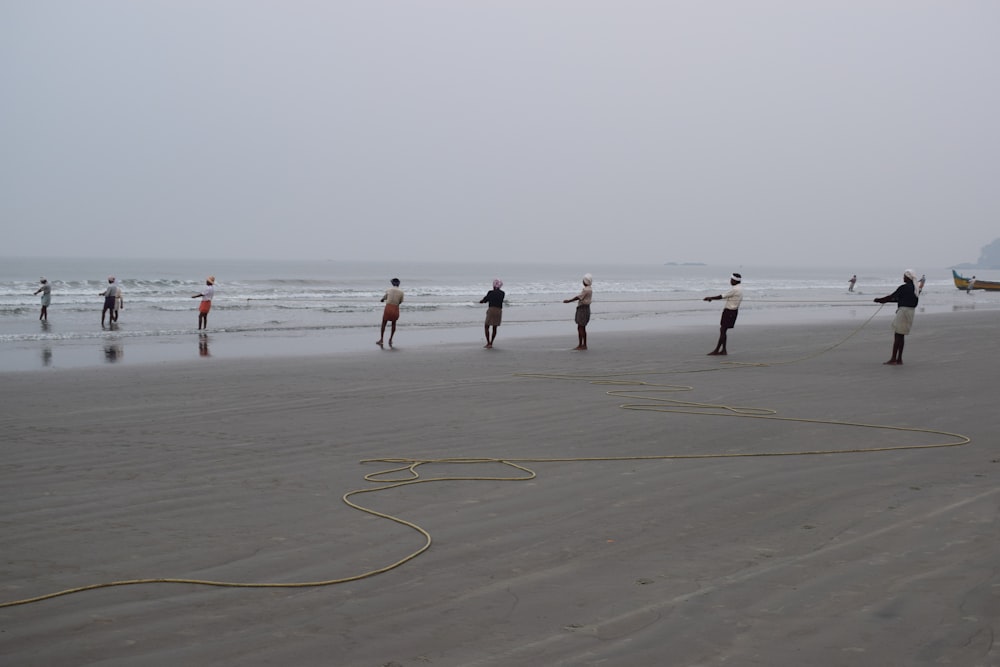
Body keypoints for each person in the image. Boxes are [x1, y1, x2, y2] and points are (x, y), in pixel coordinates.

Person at [874, 269, 919, 365]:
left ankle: (894, 359)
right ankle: (899, 359)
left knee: (897, 335)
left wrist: (879, 300)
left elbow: (892, 296)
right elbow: (898, 299)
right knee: (901, 335)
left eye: (904, 276)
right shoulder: (916, 288)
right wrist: (883, 301)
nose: (903, 278)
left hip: (903, 312)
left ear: (908, 277)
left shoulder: (903, 287)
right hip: (910, 312)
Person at [703, 272, 744, 356]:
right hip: (733, 311)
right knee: (723, 330)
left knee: (723, 330)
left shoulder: (735, 289)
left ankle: (717, 350)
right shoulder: (740, 288)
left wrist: (710, 298)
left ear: (735, 281)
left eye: (731, 279)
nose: (730, 281)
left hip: (729, 311)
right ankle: (723, 350)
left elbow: (722, 296)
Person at [563, 273, 593, 350]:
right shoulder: (590, 289)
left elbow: (579, 297)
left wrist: (568, 301)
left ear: (585, 281)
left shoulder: (586, 290)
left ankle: (580, 345)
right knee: (583, 327)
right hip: (586, 308)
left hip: (582, 309)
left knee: (580, 327)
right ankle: (584, 345)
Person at [377, 278, 404, 346]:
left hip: (388, 307)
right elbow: (401, 301)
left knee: (384, 323)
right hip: (395, 308)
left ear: (392, 283)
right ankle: (390, 339)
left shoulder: (389, 290)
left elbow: (385, 297)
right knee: (393, 323)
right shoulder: (401, 292)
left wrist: (382, 300)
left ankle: (381, 339)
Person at [480, 279, 505, 348]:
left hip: (491, 310)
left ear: (493, 285)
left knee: (486, 326)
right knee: (494, 327)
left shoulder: (490, 292)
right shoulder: (502, 293)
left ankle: (488, 343)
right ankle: (491, 343)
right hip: (499, 310)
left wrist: (481, 301)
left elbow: (485, 300)